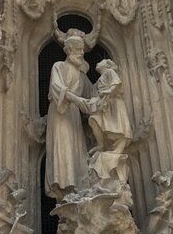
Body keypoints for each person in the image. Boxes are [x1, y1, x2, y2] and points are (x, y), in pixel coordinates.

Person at [45, 32, 95, 198]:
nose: (81, 53)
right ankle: (64, 190)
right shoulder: (59, 66)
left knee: (77, 150)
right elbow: (57, 87)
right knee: (63, 147)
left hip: (73, 116)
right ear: (69, 51)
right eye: (78, 50)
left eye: (82, 50)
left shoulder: (81, 76)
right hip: (60, 113)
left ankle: (78, 190)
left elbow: (93, 94)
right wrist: (77, 100)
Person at [88, 58, 132, 156]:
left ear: (107, 65)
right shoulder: (101, 78)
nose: (98, 62)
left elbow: (116, 83)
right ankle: (101, 145)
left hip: (114, 103)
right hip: (105, 104)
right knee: (94, 120)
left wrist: (107, 91)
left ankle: (119, 148)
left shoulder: (110, 71)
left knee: (119, 125)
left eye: (101, 61)